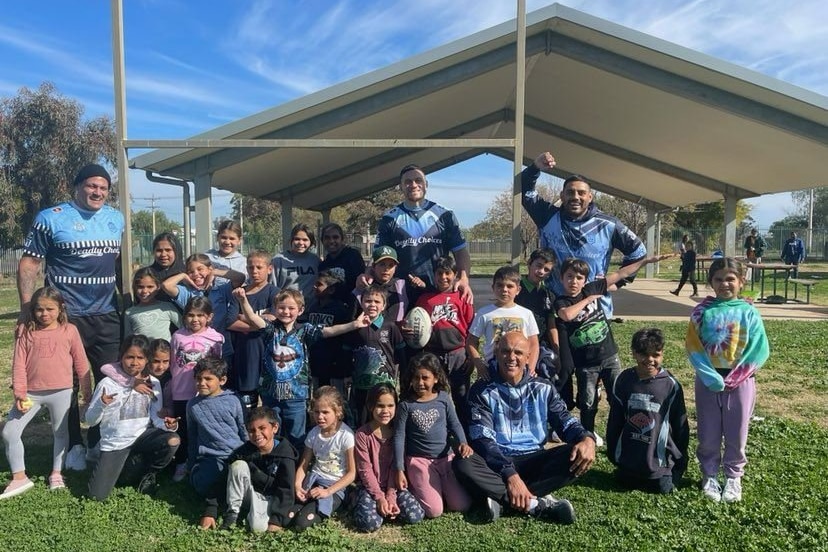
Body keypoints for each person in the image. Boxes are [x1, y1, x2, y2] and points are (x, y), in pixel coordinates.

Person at [18, 163, 124, 470]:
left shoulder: (115, 218)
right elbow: (29, 264)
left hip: (106, 316)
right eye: (92, 186)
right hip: (66, 319)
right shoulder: (51, 218)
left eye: (103, 188)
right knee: (68, 385)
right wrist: (27, 311)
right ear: (76, 186)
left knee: (110, 381)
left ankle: (101, 441)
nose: (98, 192)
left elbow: (114, 262)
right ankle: (74, 445)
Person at [453, 332, 596, 524]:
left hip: (534, 458)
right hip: (497, 461)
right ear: (496, 353)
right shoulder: (481, 390)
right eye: (505, 351)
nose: (511, 358)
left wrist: (586, 438)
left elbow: (564, 421)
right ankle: (535, 505)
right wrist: (510, 475)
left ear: (528, 357)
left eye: (518, 353)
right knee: (464, 462)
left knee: (576, 454)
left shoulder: (544, 387)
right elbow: (483, 440)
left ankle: (501, 499)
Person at [234, 287, 370, 450]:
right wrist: (243, 300)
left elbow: (329, 331)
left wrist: (355, 324)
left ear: (300, 310)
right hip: (271, 394)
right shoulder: (270, 329)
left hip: (296, 395)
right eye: (282, 307)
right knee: (272, 436)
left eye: (291, 308)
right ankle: (276, 467)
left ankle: (296, 468)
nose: (286, 311)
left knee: (296, 437)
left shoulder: (305, 330)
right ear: (275, 308)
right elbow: (252, 318)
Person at [554, 254, 669, 444]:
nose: (574, 281)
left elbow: (621, 273)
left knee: (618, 396)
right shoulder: (562, 301)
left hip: (609, 356)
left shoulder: (593, 288)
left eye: (579, 278)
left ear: (585, 280)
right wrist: (589, 298)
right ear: (561, 278)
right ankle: (587, 436)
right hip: (586, 363)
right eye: (569, 276)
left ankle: (622, 433)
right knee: (587, 402)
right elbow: (566, 315)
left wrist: (645, 261)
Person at [521, 151, 647, 318]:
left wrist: (618, 281)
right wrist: (535, 167)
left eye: (581, 193)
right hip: (555, 308)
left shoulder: (608, 225)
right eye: (570, 192)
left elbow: (638, 252)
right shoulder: (547, 216)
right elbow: (525, 192)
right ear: (562, 196)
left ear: (590, 196)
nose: (575, 197)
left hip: (596, 312)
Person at [685, 257, 769, 503]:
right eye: (719, 279)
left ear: (741, 281)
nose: (725, 284)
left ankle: (733, 477)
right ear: (711, 282)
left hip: (741, 382)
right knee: (708, 430)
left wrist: (737, 376)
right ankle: (709, 473)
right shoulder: (701, 312)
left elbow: (759, 348)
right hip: (708, 381)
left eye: (730, 279)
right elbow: (693, 345)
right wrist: (709, 376)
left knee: (737, 430)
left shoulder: (749, 312)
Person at [1, 287, 92, 498]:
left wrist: (86, 391)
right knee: (9, 432)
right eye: (39, 309)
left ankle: (57, 473)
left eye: (49, 309)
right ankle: (19, 477)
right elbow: (18, 365)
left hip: (62, 392)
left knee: (60, 433)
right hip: (30, 394)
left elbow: (81, 362)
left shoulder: (70, 330)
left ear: (61, 309)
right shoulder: (25, 331)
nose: (44, 314)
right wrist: (20, 393)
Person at [85, 335, 180, 500]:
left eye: (140, 358)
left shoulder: (154, 383)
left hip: (141, 437)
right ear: (121, 356)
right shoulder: (107, 384)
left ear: (147, 360)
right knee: (96, 497)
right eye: (130, 357)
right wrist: (101, 403)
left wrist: (168, 425)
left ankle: (148, 474)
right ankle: (119, 466)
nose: (135, 362)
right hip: (116, 443)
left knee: (173, 440)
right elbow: (90, 420)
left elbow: (155, 419)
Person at [373, 163, 472, 304]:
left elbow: (460, 251)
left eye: (418, 180)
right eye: (408, 182)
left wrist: (463, 278)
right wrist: (367, 273)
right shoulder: (389, 218)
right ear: (400, 187)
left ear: (426, 184)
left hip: (437, 292)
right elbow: (378, 255)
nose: (413, 185)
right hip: (400, 294)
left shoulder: (445, 215)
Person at [606, 328, 689, 494]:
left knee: (663, 489)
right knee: (623, 483)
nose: (650, 360)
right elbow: (615, 420)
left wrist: (680, 461)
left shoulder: (670, 386)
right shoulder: (624, 380)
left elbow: (680, 426)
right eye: (644, 354)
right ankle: (628, 467)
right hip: (628, 462)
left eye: (656, 355)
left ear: (662, 354)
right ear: (634, 353)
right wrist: (613, 452)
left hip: (658, 466)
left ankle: (664, 473)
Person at [394, 353, 472, 518]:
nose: (420, 383)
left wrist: (463, 442)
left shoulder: (443, 399)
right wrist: (400, 469)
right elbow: (399, 436)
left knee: (462, 505)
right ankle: (417, 485)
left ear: (436, 378)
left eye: (425, 378)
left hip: (445, 459)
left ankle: (440, 487)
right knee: (434, 511)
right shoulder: (406, 405)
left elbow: (455, 424)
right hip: (419, 461)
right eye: (416, 378)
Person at [354, 384, 425, 532]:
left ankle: (388, 508)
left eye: (390, 405)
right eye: (380, 406)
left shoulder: (399, 433)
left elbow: (397, 466)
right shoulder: (362, 435)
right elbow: (364, 469)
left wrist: (391, 497)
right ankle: (366, 503)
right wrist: (380, 498)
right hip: (370, 487)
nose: (385, 411)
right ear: (370, 406)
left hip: (395, 486)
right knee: (369, 523)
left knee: (416, 516)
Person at [186, 357, 248, 529]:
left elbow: (243, 430)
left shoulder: (234, 401)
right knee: (205, 482)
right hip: (210, 457)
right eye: (198, 378)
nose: (202, 383)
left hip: (235, 455)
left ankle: (223, 501)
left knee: (243, 479)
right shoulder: (192, 405)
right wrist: (190, 464)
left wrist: (249, 454)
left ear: (222, 380)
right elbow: (192, 437)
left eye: (208, 379)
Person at [169, 296, 224, 482]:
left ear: (209, 317)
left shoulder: (216, 338)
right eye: (191, 315)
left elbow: (218, 368)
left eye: (200, 315)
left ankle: (202, 463)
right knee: (183, 430)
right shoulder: (177, 336)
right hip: (181, 392)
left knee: (203, 429)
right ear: (184, 316)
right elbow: (172, 364)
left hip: (204, 394)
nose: (195, 319)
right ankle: (182, 462)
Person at [414, 256, 474, 423]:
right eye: (439, 273)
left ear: (455, 275)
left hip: (458, 354)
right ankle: (440, 432)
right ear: (434, 275)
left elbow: (471, 327)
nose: (443, 278)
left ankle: (465, 436)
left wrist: (470, 355)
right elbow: (418, 327)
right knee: (435, 396)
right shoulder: (425, 299)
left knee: (461, 395)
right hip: (434, 354)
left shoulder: (462, 297)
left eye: (447, 273)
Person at [221, 407, 298, 533]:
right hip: (251, 493)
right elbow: (224, 473)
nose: (257, 434)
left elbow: (286, 489)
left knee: (258, 528)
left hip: (272, 498)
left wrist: (276, 520)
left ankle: (254, 513)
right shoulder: (245, 450)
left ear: (275, 428)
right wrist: (211, 509)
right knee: (237, 465)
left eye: (262, 428)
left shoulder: (285, 455)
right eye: (251, 430)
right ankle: (232, 513)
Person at [293, 386, 356, 532]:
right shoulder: (313, 434)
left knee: (302, 523)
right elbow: (304, 465)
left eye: (325, 412)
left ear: (338, 412)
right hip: (314, 480)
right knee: (288, 515)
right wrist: (297, 485)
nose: (320, 417)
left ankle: (337, 503)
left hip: (335, 486)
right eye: (316, 412)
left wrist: (328, 492)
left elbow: (352, 474)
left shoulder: (346, 436)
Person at [343, 285, 406, 426]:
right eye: (368, 301)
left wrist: (403, 379)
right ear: (361, 303)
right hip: (361, 385)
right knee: (363, 420)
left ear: (383, 306)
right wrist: (347, 374)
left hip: (385, 384)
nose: (372, 305)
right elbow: (346, 353)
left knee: (385, 420)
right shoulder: (355, 327)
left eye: (377, 302)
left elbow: (401, 354)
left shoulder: (390, 327)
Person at [163, 253, 242, 363]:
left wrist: (214, 272)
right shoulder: (187, 293)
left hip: (221, 347)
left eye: (200, 269)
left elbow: (240, 277)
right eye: (191, 271)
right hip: (196, 350)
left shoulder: (221, 290)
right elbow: (166, 286)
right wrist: (183, 276)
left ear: (209, 269)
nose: (196, 274)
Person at [466, 265, 539, 381]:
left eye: (510, 286)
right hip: (493, 368)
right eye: (500, 285)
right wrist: (479, 365)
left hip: (519, 367)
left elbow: (534, 343)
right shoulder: (484, 313)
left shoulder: (526, 314)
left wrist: (530, 367)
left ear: (518, 290)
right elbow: (471, 341)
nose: (504, 289)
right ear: (493, 287)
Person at [226, 249, 278, 410]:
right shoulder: (239, 293)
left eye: (259, 267)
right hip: (245, 356)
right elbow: (230, 323)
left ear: (270, 269)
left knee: (271, 406)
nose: (254, 271)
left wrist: (244, 317)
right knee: (248, 407)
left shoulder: (275, 293)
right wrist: (260, 323)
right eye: (250, 267)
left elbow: (275, 321)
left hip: (269, 356)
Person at [515, 248, 562, 386]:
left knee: (546, 381)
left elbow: (551, 325)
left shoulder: (548, 294)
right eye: (539, 266)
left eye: (547, 269)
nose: (541, 271)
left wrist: (556, 351)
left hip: (542, 346)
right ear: (529, 263)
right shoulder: (516, 290)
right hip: (520, 345)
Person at [306, 270, 351, 396]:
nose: (315, 287)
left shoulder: (341, 310)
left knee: (334, 399)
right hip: (315, 362)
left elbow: (345, 338)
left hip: (334, 364)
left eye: (319, 284)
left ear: (331, 289)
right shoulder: (313, 307)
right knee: (317, 397)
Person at [124, 268, 182, 341]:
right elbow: (127, 340)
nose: (145, 291)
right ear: (135, 287)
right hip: (141, 352)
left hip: (163, 351)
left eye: (150, 287)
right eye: (140, 287)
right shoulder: (129, 312)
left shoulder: (167, 307)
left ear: (158, 287)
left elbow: (184, 328)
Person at [356, 246, 409, 323]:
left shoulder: (403, 286)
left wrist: (423, 286)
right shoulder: (363, 286)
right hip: (369, 333)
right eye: (382, 264)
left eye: (391, 265)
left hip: (396, 333)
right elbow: (353, 318)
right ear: (373, 266)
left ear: (395, 268)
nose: (386, 269)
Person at [271, 223, 320, 307]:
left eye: (305, 240)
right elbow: (272, 286)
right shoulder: (278, 260)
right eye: (297, 239)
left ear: (311, 242)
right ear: (291, 240)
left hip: (310, 310)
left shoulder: (315, 260)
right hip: (287, 311)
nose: (301, 243)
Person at [318, 222, 365, 308]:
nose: (331, 241)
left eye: (335, 237)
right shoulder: (323, 265)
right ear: (322, 241)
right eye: (327, 238)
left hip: (353, 309)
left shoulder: (353, 256)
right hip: (333, 311)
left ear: (342, 239)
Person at [145, 231, 185, 302]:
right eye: (159, 250)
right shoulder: (146, 274)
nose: (163, 254)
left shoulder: (187, 273)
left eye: (168, 250)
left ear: (176, 251)